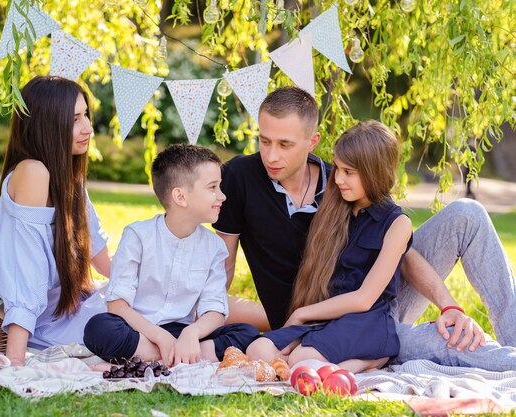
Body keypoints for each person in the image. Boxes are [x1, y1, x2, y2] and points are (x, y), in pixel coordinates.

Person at [215, 86, 516, 371]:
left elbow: (399, 250)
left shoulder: (341, 183)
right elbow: (223, 267)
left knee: (467, 213)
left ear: (312, 141)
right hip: (320, 324)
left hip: (374, 307)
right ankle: (381, 355)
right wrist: (195, 326)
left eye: (285, 144)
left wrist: (449, 306)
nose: (271, 155)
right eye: (264, 140)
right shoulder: (241, 177)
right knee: (444, 345)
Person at [247, 121, 411, 372]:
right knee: (258, 349)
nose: (339, 179)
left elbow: (364, 299)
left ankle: (372, 360)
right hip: (327, 315)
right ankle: (309, 371)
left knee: (302, 358)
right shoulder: (336, 208)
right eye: (338, 169)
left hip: (365, 321)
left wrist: (303, 313)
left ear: (375, 171)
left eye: (349, 172)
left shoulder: (397, 224)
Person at [83, 144, 259, 366]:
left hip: (183, 331)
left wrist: (191, 334)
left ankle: (156, 357)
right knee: (98, 328)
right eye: (213, 187)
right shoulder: (137, 236)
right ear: (180, 197)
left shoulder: (214, 247)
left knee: (247, 333)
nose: (222, 196)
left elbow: (215, 310)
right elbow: (118, 306)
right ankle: (182, 357)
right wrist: (160, 337)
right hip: (139, 330)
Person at [0, 76, 111, 367]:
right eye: (75, 118)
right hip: (46, 322)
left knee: (169, 304)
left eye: (86, 115)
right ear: (47, 124)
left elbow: (101, 258)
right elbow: (25, 270)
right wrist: (16, 359)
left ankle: (230, 339)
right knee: (160, 318)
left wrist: (149, 281)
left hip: (73, 305)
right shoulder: (33, 172)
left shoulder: (69, 180)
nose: (88, 127)